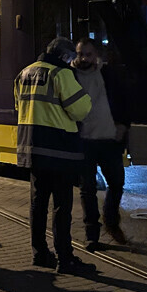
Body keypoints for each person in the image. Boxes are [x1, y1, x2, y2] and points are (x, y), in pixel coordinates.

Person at [15, 37, 95, 275]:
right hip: (59, 151)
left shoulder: (24, 74)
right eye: (70, 58)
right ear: (63, 56)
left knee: (37, 204)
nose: (71, 63)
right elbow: (81, 109)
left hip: (32, 148)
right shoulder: (61, 74)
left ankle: (40, 253)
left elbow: (19, 107)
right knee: (61, 206)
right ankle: (65, 258)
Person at [73, 37, 130, 250]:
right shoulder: (70, 75)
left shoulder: (109, 73)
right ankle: (92, 234)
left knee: (116, 184)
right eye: (80, 54)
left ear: (96, 55)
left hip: (109, 139)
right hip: (84, 140)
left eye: (88, 54)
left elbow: (124, 100)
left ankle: (111, 222)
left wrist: (123, 125)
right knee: (87, 189)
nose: (83, 58)